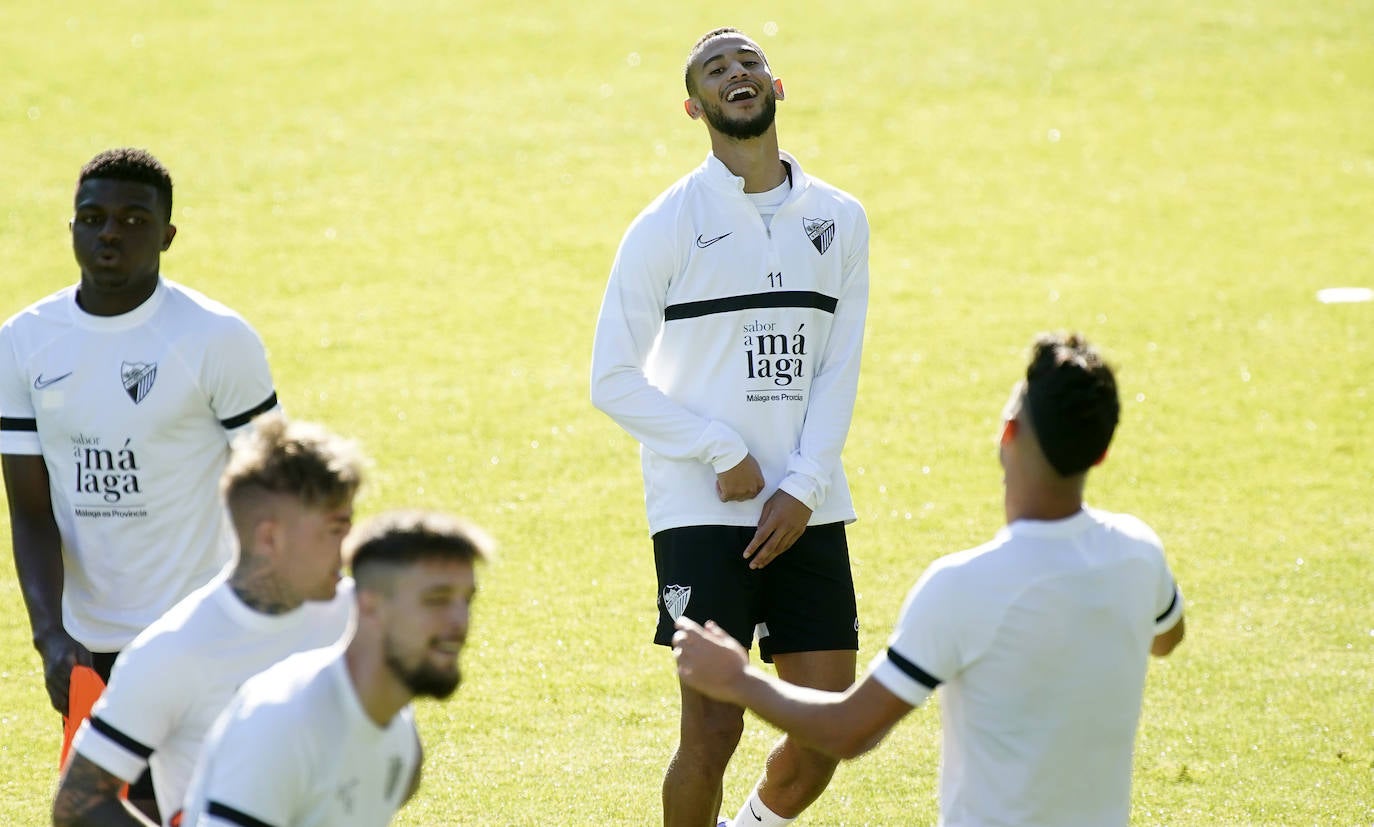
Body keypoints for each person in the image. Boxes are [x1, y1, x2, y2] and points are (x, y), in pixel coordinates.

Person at [673, 332, 1187, 827]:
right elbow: (1167, 636)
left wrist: (738, 680)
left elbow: (849, 731)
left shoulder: (964, 586)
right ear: (1100, 452)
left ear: (1007, 432)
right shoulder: (1139, 555)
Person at [590, 26, 870, 827]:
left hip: (808, 501)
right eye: (716, 69)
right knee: (712, 729)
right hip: (701, 509)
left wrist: (805, 485)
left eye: (750, 62)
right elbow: (610, 380)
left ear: (777, 87)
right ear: (694, 105)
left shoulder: (841, 220)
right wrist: (721, 449)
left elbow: (837, 369)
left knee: (825, 732)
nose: (736, 73)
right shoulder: (664, 226)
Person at [0, 146, 280, 817]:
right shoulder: (23, 343)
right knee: (94, 808)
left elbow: (276, 485)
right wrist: (50, 636)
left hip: (198, 628)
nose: (110, 234)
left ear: (167, 235)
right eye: (93, 218)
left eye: (133, 219)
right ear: (71, 226)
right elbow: (29, 508)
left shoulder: (215, 339)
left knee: (208, 807)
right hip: (89, 646)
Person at [51, 414, 363, 827]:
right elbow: (78, 802)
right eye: (335, 531)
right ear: (270, 537)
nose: (347, 550)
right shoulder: (172, 652)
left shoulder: (358, 617)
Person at [179, 509, 493, 827]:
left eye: (466, 600)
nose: (460, 622)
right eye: (436, 600)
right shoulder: (284, 720)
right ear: (371, 605)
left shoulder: (396, 729)